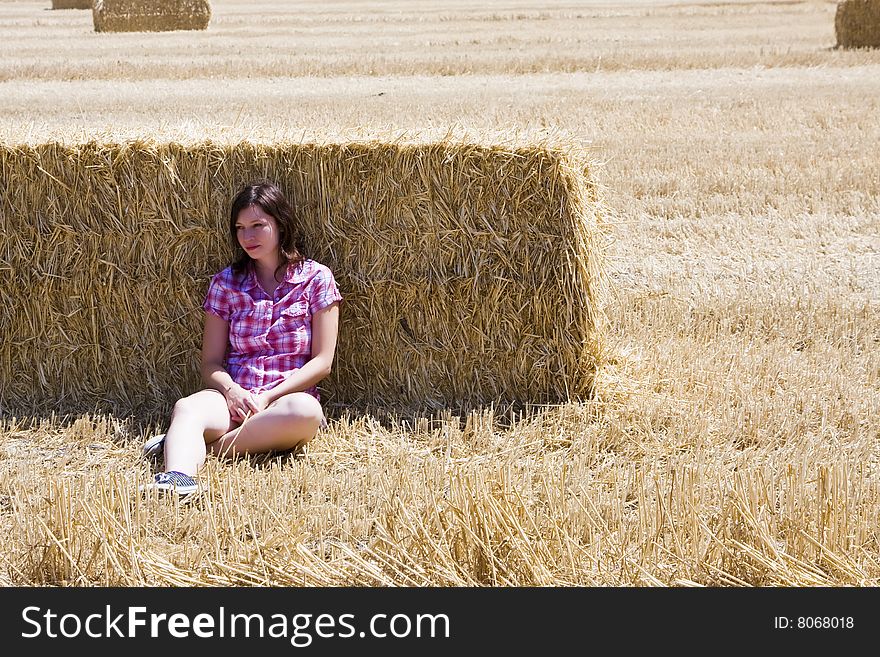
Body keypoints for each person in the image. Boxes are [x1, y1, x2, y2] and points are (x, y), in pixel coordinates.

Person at [140, 181, 342, 496]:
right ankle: (177, 480)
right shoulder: (226, 284)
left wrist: (266, 398)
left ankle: (203, 446)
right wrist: (233, 393)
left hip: (283, 404)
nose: (247, 237)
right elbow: (210, 364)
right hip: (232, 398)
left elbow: (322, 362)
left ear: (281, 224)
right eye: (240, 228)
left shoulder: (316, 279)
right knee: (187, 408)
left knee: (307, 413)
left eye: (258, 225)